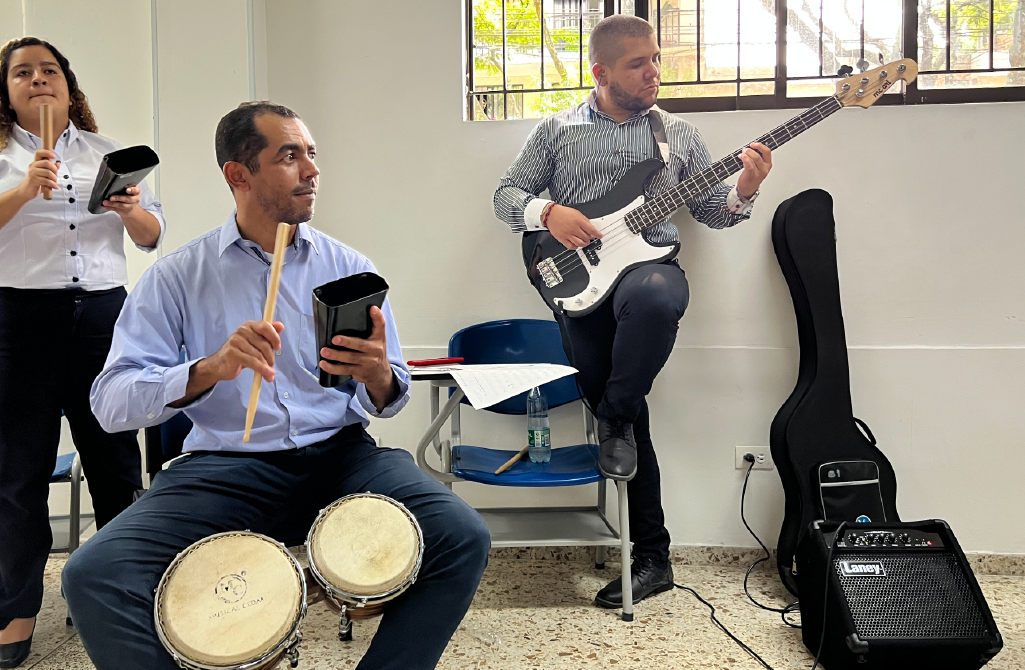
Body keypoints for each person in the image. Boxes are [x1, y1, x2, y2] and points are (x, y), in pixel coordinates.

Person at [61, 101, 491, 670]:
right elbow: (109, 402)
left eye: (311, 154)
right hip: (224, 467)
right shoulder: (176, 277)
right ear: (237, 174)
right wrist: (207, 369)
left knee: (462, 534)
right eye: (289, 156)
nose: (311, 170)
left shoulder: (349, 269)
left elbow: (392, 395)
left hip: (343, 458)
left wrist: (377, 375)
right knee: (93, 575)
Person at [493, 15, 773, 610]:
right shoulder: (558, 130)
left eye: (655, 60)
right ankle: (654, 557)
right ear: (600, 71)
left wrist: (745, 189)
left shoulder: (676, 135)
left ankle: (614, 418)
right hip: (577, 286)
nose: (653, 73)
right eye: (637, 63)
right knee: (632, 417)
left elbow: (713, 214)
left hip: (646, 273)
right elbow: (506, 195)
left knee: (656, 295)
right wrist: (548, 213)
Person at [0, 37, 162, 667]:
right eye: (22, 73)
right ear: (4, 90)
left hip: (104, 319)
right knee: (19, 472)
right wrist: (20, 193)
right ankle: (17, 609)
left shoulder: (108, 152)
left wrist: (132, 209)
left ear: (69, 85)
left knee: (116, 463)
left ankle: (122, 593)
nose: (38, 80)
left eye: (50, 70)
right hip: (14, 321)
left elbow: (151, 236)